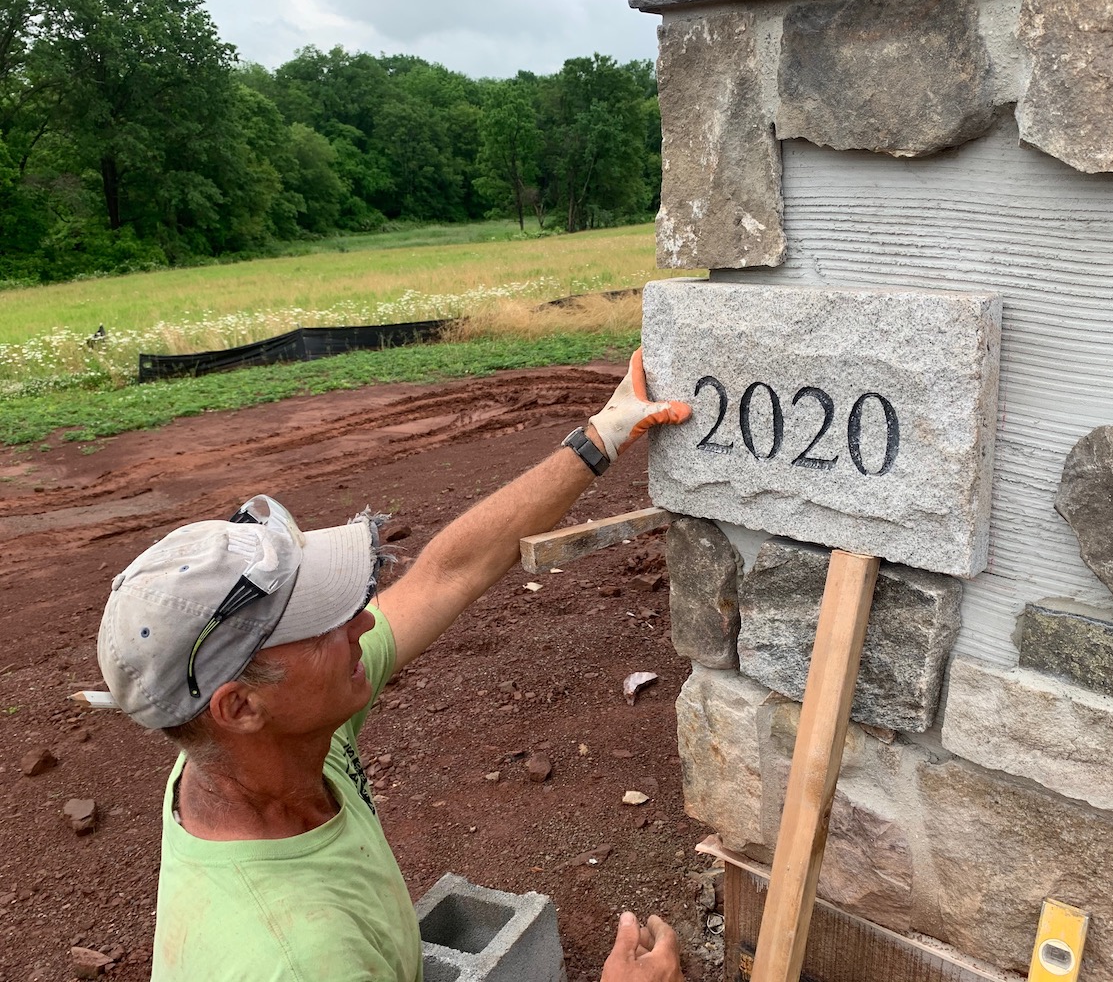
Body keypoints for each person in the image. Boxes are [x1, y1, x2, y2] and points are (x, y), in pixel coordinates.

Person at [95, 351, 691, 982]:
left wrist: (600, 437)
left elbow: (447, 574)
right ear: (239, 706)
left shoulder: (263, 753)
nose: (363, 623)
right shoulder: (303, 961)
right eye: (320, 625)